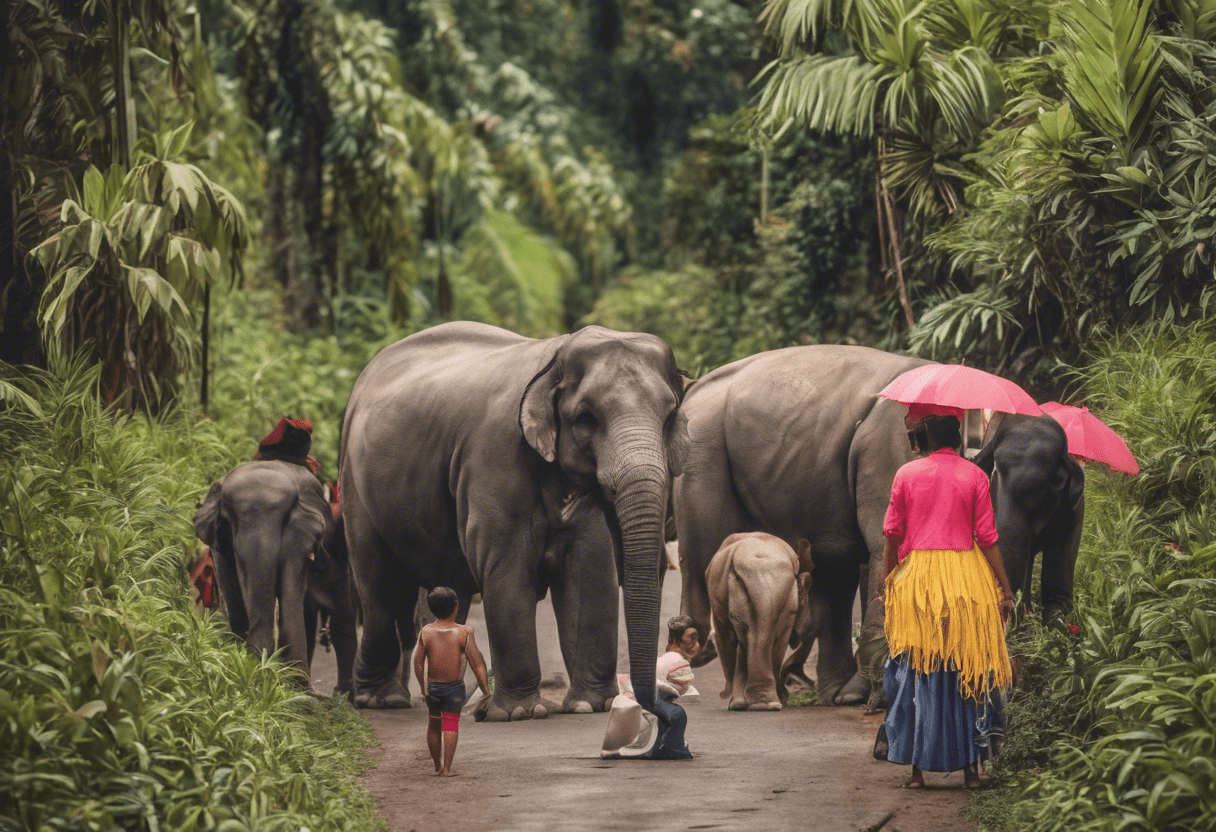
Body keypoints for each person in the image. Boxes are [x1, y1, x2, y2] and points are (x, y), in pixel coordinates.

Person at [879, 403, 1015, 790]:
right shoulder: (974, 474)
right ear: (956, 440)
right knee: (968, 667)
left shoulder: (906, 473)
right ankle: (972, 772)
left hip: (918, 583)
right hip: (967, 581)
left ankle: (918, 772)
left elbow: (892, 533)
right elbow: (988, 538)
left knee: (920, 668)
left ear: (924, 440)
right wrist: (1004, 589)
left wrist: (889, 579)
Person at [413, 587, 491, 776]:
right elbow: (477, 664)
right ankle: (447, 768)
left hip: (433, 688)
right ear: (456, 607)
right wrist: (485, 690)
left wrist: (423, 690)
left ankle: (436, 767)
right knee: (450, 725)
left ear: (432, 608)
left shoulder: (426, 632)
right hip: (455, 688)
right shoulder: (464, 632)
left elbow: (418, 664)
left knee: (433, 725)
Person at [657, 615, 700, 701]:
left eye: (696, 639)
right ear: (674, 640)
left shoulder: (679, 660)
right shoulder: (674, 660)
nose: (696, 645)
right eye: (691, 638)